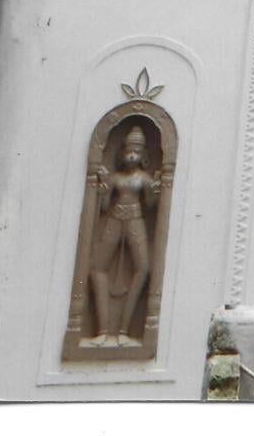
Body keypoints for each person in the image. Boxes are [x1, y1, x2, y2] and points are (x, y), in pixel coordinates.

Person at [88, 126, 160, 346]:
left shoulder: (144, 179)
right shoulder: (116, 178)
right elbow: (104, 205)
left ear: (143, 156)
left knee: (144, 269)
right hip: (115, 221)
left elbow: (149, 204)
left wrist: (155, 191)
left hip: (136, 221)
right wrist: (101, 187)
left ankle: (124, 330)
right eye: (129, 150)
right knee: (96, 268)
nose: (132, 154)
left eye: (136, 151)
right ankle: (102, 329)